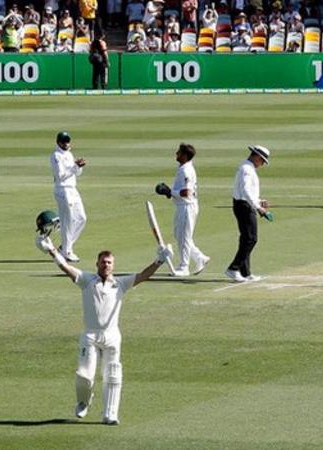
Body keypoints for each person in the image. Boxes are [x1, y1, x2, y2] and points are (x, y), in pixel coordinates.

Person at [34, 235, 173, 425]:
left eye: (109, 262)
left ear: (113, 266)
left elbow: (143, 276)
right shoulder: (86, 280)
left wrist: (160, 260)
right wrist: (52, 251)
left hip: (112, 335)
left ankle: (110, 414)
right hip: (90, 335)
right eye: (103, 262)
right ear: (97, 264)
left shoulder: (121, 284)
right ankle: (83, 401)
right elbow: (66, 268)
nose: (106, 265)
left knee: (113, 375)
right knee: (84, 375)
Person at [156, 143, 210, 276]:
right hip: (182, 206)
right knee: (180, 236)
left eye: (179, 152)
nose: (176, 154)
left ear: (185, 155)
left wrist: (170, 192)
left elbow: (187, 192)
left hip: (187, 207)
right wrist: (170, 193)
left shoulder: (186, 170)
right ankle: (200, 258)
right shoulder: (183, 168)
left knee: (184, 237)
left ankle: (184, 266)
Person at [226, 145, 272, 283]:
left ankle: (245, 272)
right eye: (262, 161)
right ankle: (233, 268)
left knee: (246, 238)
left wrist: (258, 200)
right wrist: (258, 207)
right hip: (244, 206)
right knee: (251, 239)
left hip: (245, 204)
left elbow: (248, 191)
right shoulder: (247, 169)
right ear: (257, 156)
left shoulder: (248, 167)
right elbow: (245, 190)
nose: (262, 164)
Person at [50, 131, 87, 261]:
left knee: (82, 218)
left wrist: (78, 167)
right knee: (67, 220)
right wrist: (74, 167)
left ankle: (65, 247)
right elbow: (60, 176)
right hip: (63, 190)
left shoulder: (69, 154)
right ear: (58, 142)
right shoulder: (56, 156)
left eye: (67, 141)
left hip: (73, 189)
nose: (66, 144)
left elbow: (76, 174)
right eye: (63, 141)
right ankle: (66, 251)